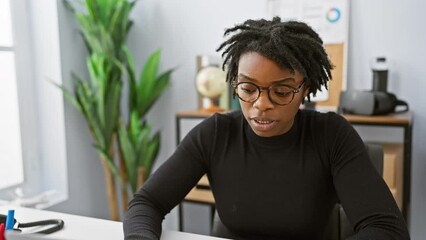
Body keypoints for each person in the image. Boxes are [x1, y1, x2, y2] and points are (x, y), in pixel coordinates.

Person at [123, 17, 410, 240]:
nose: (261, 105)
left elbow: (386, 229)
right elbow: (147, 203)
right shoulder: (215, 134)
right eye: (248, 88)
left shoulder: (330, 135)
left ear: (304, 90)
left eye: (282, 92)